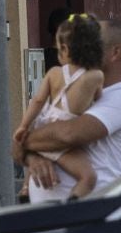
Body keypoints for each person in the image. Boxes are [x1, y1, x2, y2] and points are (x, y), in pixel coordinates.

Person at [16, 17, 121, 197]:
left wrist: (25, 142)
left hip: (90, 214)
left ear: (115, 52)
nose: (82, 45)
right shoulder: (63, 84)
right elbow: (15, 149)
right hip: (50, 218)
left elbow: (66, 135)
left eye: (93, 42)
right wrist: (32, 157)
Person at [12, 13, 105, 203]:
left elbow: (37, 101)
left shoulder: (54, 73)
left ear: (64, 48)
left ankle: (26, 187)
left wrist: (23, 126)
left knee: (37, 152)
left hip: (43, 128)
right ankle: (71, 204)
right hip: (62, 140)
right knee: (88, 177)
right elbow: (98, 102)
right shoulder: (95, 77)